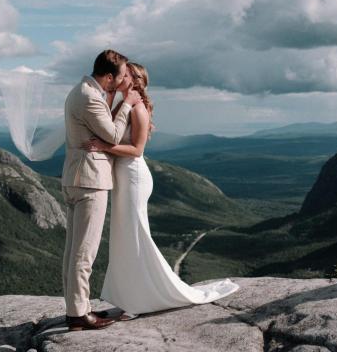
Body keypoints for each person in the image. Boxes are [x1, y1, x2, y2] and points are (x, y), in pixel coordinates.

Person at [82, 62, 240, 319]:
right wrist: (113, 98)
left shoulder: (138, 109)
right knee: (124, 237)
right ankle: (129, 297)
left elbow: (136, 150)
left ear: (133, 80)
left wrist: (103, 146)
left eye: (125, 73)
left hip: (133, 176)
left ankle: (138, 302)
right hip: (123, 177)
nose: (119, 76)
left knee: (135, 235)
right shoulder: (125, 105)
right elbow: (110, 126)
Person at [61, 50, 143, 331]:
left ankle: (77, 307)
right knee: (84, 252)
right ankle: (79, 314)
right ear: (108, 76)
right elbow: (112, 136)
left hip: (75, 177)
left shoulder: (81, 91)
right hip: (90, 180)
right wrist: (128, 105)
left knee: (74, 250)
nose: (123, 81)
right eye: (120, 76)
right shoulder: (89, 96)